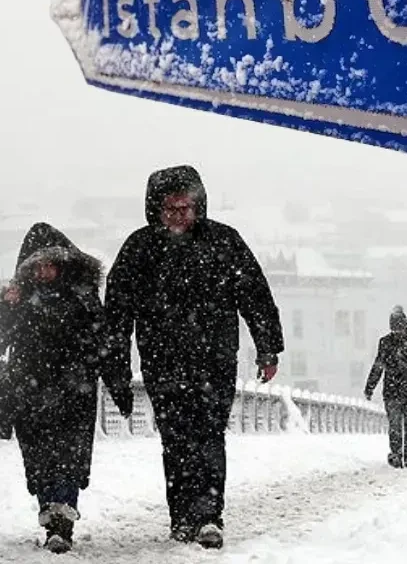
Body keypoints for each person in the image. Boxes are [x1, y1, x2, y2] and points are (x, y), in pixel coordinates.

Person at [104, 165, 283, 549]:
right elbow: (116, 313)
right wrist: (116, 367)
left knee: (208, 435)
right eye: (171, 208)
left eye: (186, 207)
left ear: (198, 206)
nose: (179, 216)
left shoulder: (224, 242)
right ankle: (182, 516)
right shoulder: (139, 249)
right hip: (162, 361)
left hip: (214, 360)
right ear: (156, 209)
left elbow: (255, 295)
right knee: (176, 438)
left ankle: (207, 515)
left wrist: (268, 347)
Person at [0, 223, 132, 554]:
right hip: (29, 392)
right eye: (37, 266)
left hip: (73, 392)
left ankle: (61, 520)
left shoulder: (82, 297)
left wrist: (118, 384)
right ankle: (49, 512)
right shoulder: (18, 299)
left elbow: (105, 343)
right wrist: (6, 306)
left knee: (69, 457)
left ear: (64, 263)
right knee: (38, 459)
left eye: (50, 264)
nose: (44, 271)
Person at [364, 306, 407, 468]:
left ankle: (406, 454)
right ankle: (399, 454)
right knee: (402, 424)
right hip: (404, 391)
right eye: (395, 328)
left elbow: (379, 366)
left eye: (399, 327)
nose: (397, 331)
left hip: (399, 389)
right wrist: (370, 386)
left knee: (405, 425)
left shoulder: (391, 342)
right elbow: (379, 366)